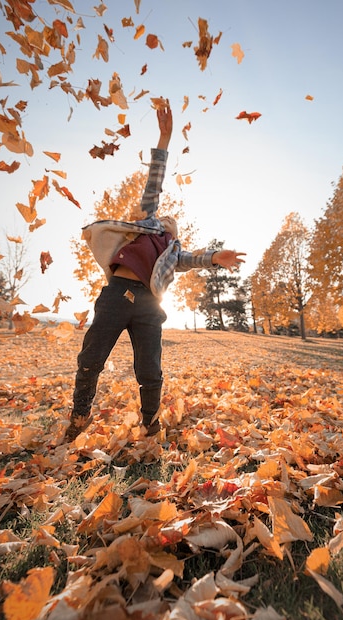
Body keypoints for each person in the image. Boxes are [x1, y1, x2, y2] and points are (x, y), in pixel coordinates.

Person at [65, 101, 245, 443]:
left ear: (174, 234)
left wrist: (215, 257)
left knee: (150, 369)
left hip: (149, 306)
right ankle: (80, 414)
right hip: (117, 293)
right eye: (161, 220)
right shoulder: (145, 226)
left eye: (169, 225)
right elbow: (154, 183)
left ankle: (150, 424)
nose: (165, 222)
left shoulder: (172, 251)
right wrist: (164, 140)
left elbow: (193, 258)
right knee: (91, 356)